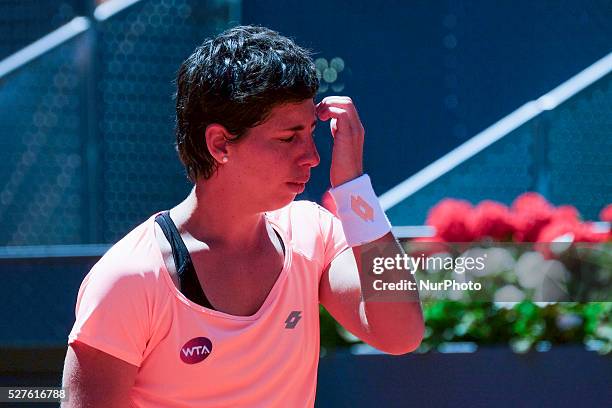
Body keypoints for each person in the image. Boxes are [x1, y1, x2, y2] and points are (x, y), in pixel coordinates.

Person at [62, 25, 424, 407]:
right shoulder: (131, 278)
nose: (313, 157)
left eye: (311, 134)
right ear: (220, 144)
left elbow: (401, 333)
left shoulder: (312, 232)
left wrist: (355, 191)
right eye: (288, 138)